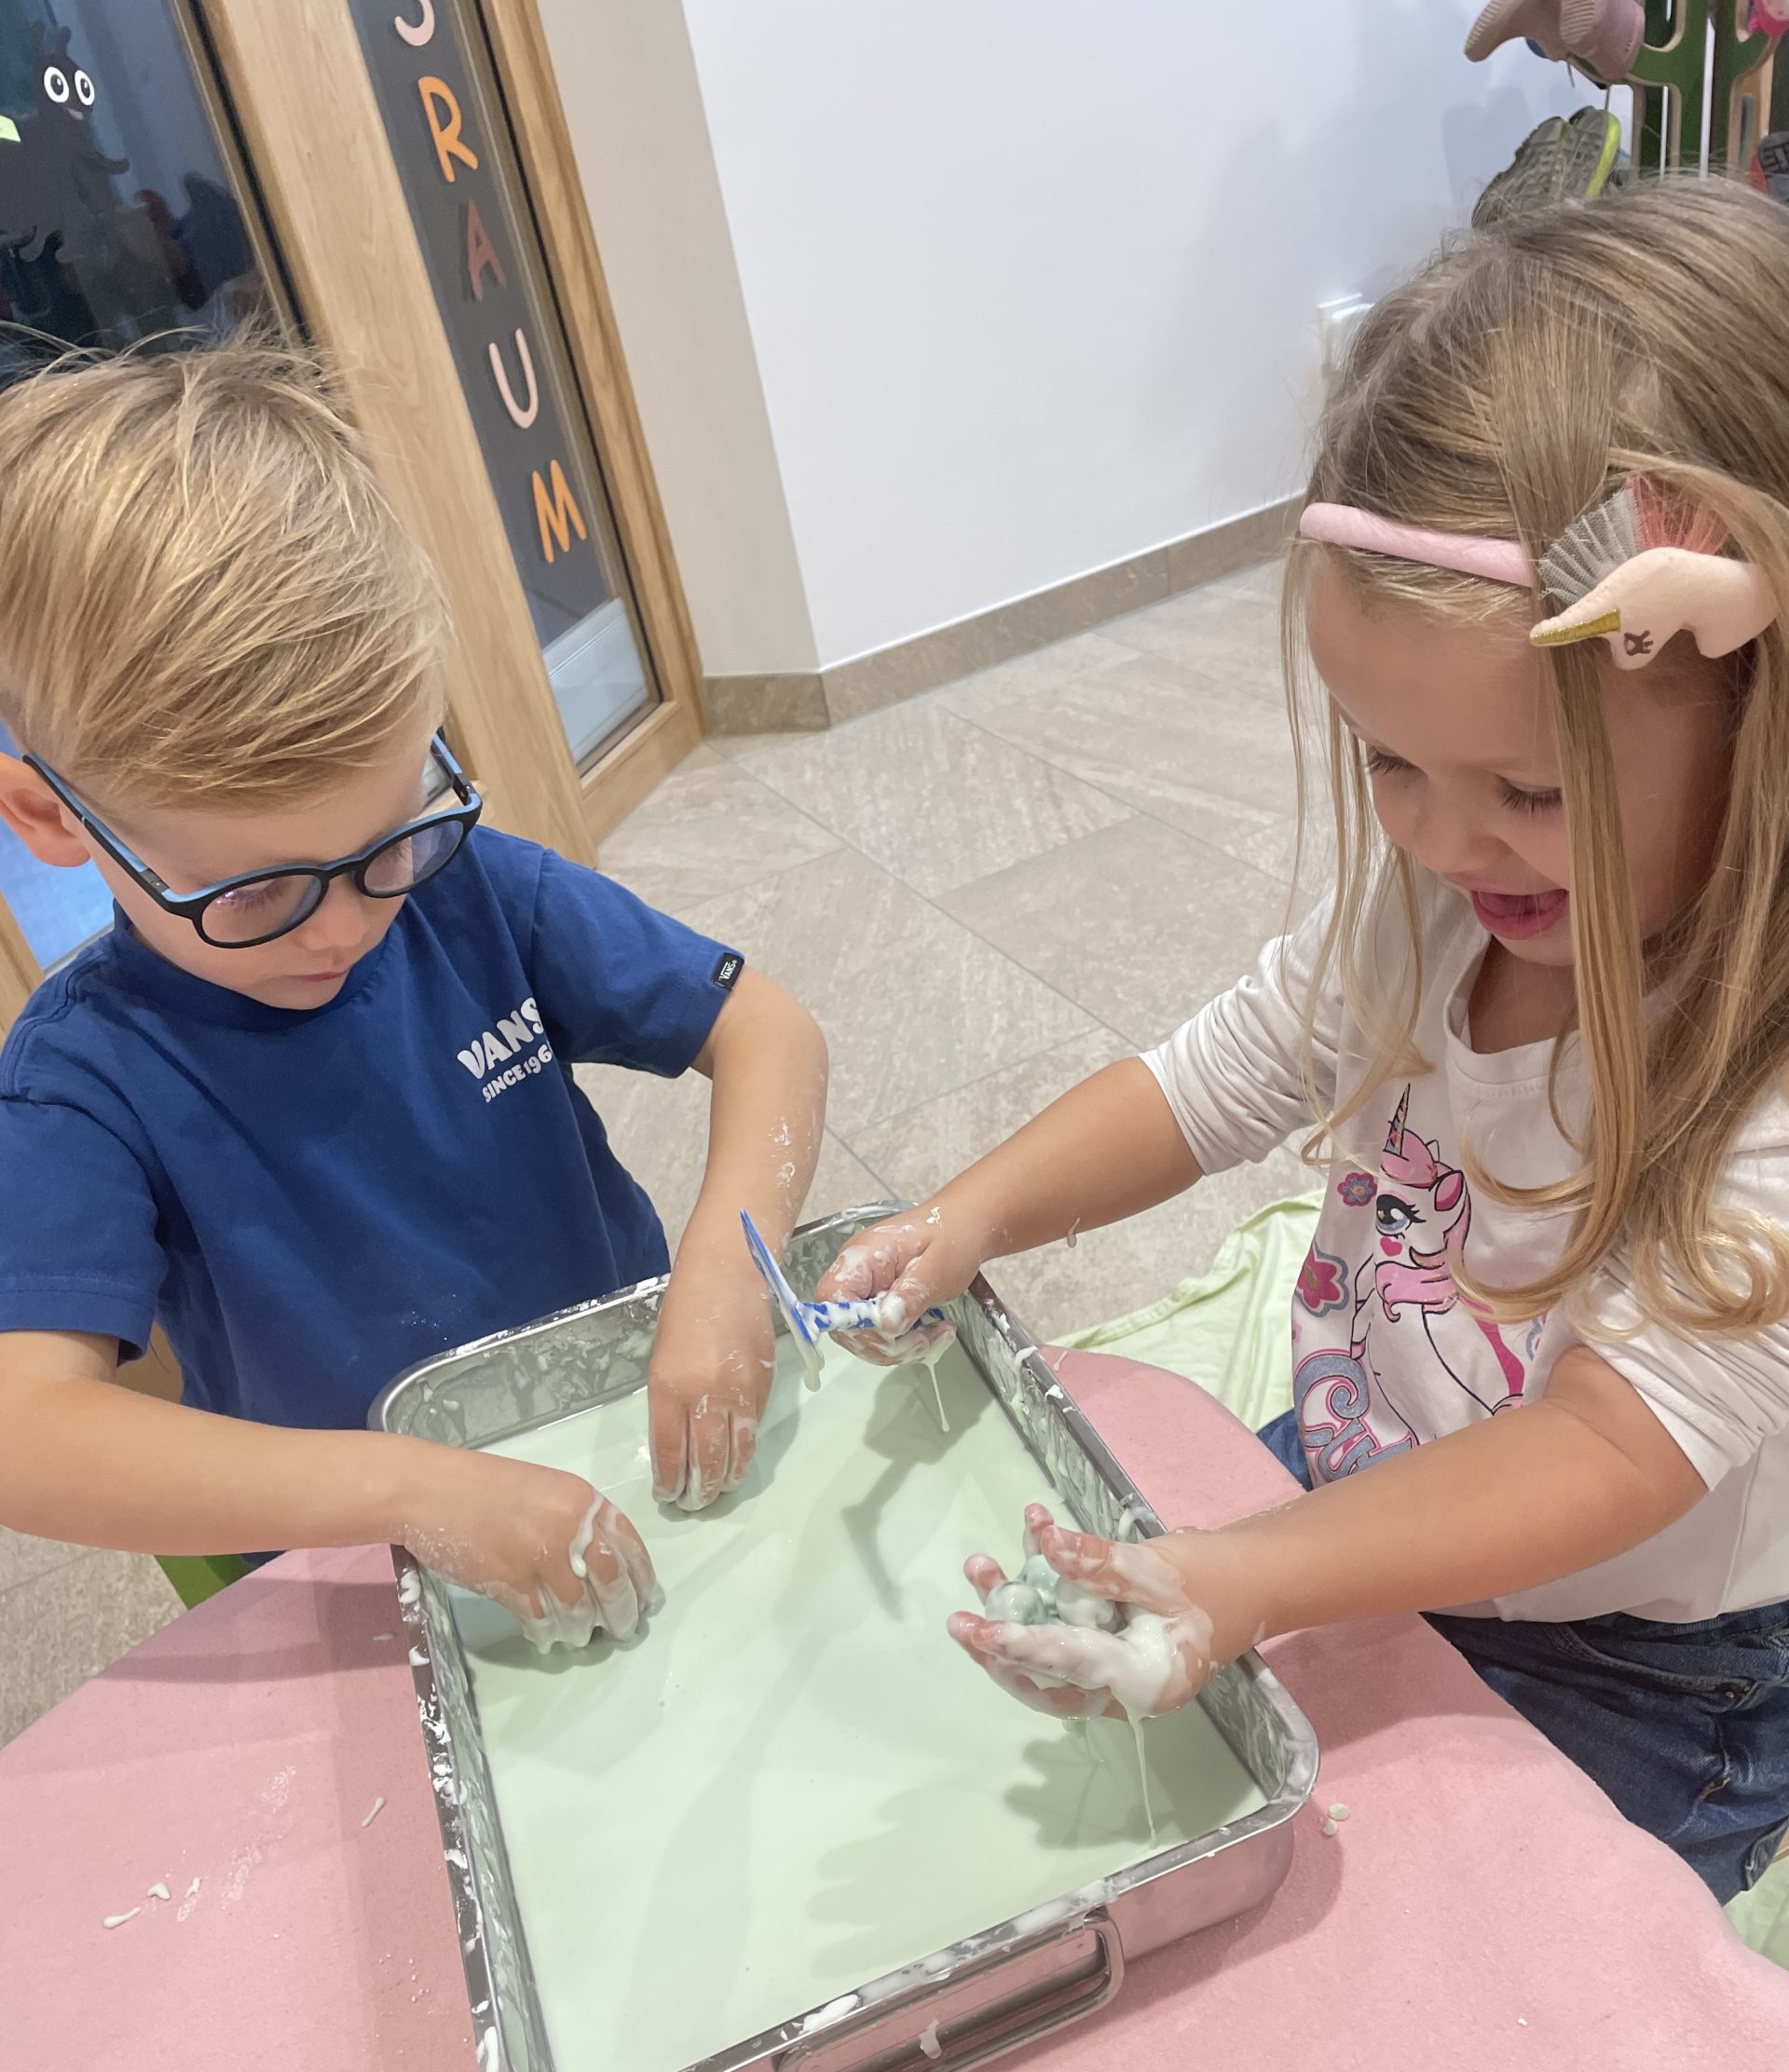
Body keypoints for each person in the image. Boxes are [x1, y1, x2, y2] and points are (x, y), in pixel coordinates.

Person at [817, 178, 1789, 1903]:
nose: (1441, 839)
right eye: (1389, 764)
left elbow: (1607, 1449)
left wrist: (1253, 1578)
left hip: (1643, 1660)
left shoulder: (1764, 1083)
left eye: (1527, 790)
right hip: (1367, 1477)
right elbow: (1217, 1076)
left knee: (1474, 1963)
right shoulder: (1447, 905)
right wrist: (976, 1213)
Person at [0, 338, 827, 1645]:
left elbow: (768, 1030)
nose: (347, 925)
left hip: (622, 1429)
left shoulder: (472, 893)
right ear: (53, 818)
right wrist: (411, 1489)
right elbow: (27, 1436)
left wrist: (731, 1266)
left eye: (391, 838)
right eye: (256, 892)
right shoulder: (81, 1083)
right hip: (380, 1558)